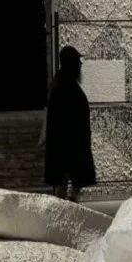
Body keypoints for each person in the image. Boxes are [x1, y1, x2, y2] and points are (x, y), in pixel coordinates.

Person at [43, 46, 97, 202]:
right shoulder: (66, 87)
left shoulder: (61, 85)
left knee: (66, 181)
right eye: (77, 61)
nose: (80, 64)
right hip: (70, 144)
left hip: (67, 145)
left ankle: (67, 206)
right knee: (67, 181)